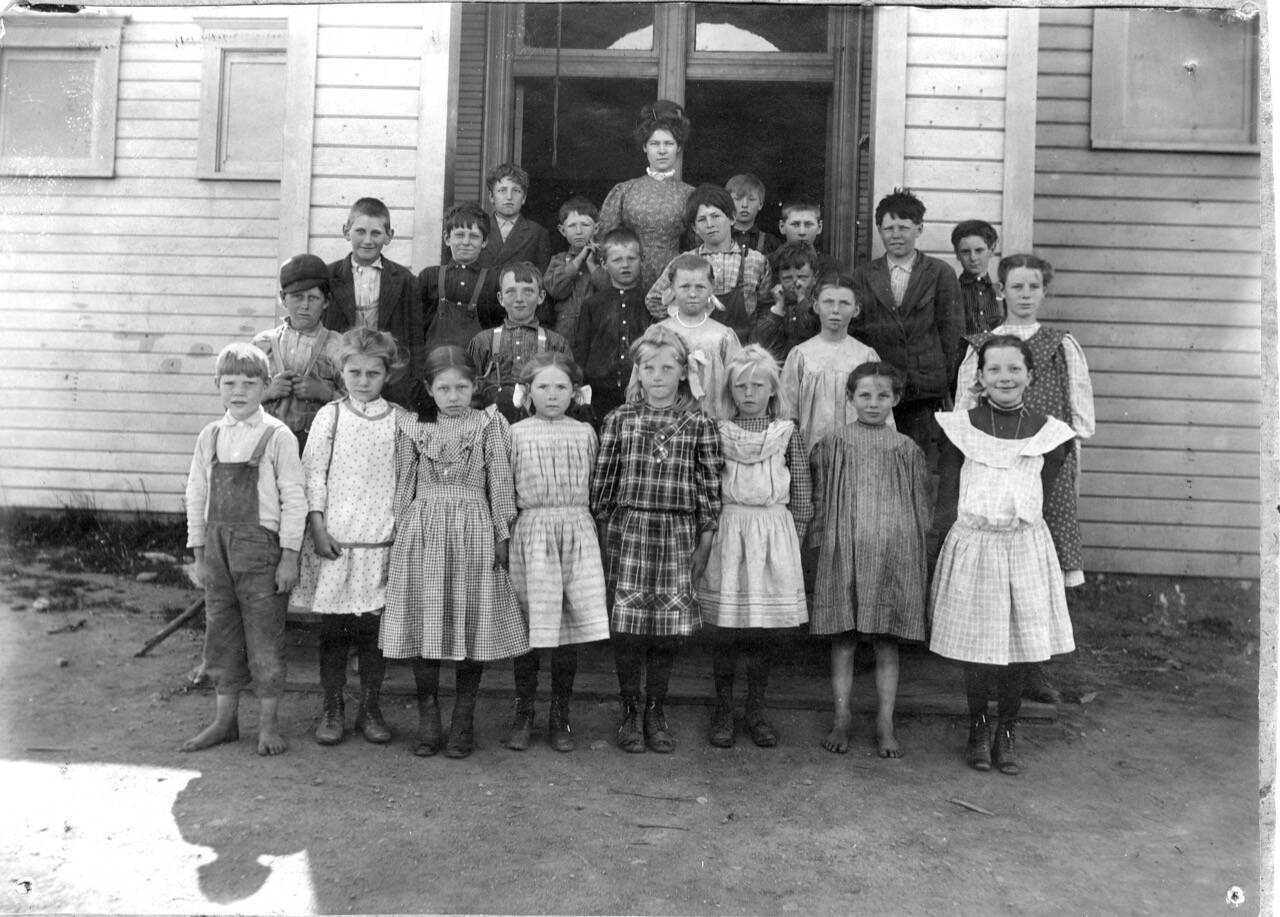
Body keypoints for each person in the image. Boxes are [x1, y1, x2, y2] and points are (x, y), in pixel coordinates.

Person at [952, 253, 1095, 705]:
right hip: (994, 464)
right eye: (1017, 287)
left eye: (1034, 287)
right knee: (995, 564)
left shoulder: (1060, 343)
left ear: (1044, 292)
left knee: (1041, 563)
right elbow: (962, 409)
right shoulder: (983, 345)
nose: (1026, 295)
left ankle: (1033, 667)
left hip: (1045, 464)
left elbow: (1079, 409)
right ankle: (987, 659)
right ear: (1001, 291)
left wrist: (1071, 458)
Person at [930, 336, 1076, 775]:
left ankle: (1006, 732)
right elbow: (949, 494)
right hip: (975, 545)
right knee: (979, 646)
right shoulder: (961, 428)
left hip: (1023, 547)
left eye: (1014, 369)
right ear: (980, 377)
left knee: (1015, 648)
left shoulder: (1051, 434)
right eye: (994, 369)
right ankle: (977, 727)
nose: (1005, 377)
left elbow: (1043, 493)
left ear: (1030, 375)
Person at [383, 346, 529, 759]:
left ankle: (463, 716)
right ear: (428, 389)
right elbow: (403, 483)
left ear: (474, 387)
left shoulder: (488, 423)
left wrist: (502, 534)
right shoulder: (412, 426)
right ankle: (429, 717)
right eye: (443, 388)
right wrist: (400, 532)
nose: (452, 396)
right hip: (423, 528)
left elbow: (500, 481)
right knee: (423, 619)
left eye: (461, 387)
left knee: (471, 621)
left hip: (475, 529)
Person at [591, 325, 723, 754]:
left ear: (684, 373)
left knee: (666, 630)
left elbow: (709, 487)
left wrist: (704, 540)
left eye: (668, 368)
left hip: (677, 532)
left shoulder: (699, 422)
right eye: (650, 368)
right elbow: (604, 487)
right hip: (631, 531)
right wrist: (605, 536)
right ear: (639, 372)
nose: (659, 376)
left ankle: (656, 709)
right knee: (628, 628)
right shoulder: (619, 419)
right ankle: (630, 711)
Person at [180, 342, 306, 756]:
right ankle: (225, 721)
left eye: (250, 382)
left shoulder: (277, 436)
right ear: (217, 385)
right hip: (216, 549)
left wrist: (290, 555)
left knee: (265, 638)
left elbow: (294, 497)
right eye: (230, 382)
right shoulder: (210, 436)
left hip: (260, 552)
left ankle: (268, 725)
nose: (239, 390)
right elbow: (196, 493)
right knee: (221, 635)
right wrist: (198, 551)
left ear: (266, 386)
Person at [807, 362, 930, 759]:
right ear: (850, 398)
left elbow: (919, 510)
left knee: (885, 640)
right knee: (843, 637)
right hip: (845, 548)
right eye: (864, 395)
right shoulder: (832, 445)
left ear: (896, 399)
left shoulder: (906, 449)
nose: (873, 403)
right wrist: (823, 539)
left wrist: (911, 553)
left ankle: (885, 721)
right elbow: (821, 500)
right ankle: (841, 716)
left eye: (882, 396)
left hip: (891, 552)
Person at [291, 328, 406, 747]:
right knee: (334, 632)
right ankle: (333, 706)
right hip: (337, 542)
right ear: (341, 372)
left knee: (373, 636)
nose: (362, 380)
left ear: (386, 375)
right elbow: (313, 475)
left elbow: (406, 481)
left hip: (381, 541)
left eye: (372, 373)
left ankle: (370, 707)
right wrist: (318, 526)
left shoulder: (401, 420)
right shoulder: (331, 416)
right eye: (354, 372)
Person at [697, 345, 810, 748]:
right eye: (740, 386)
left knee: (762, 630)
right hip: (731, 529)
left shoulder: (786, 432)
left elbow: (802, 494)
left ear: (772, 390)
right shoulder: (717, 431)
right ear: (729, 391)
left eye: (757, 385)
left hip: (773, 532)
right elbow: (707, 484)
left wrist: (789, 541)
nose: (749, 393)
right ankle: (724, 708)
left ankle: (756, 709)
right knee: (727, 629)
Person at [503, 353, 610, 752]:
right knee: (531, 628)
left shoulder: (584, 433)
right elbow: (505, 487)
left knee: (567, 631)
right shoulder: (515, 434)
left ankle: (560, 716)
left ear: (575, 393)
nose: (552, 395)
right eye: (543, 387)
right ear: (527, 392)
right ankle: (523, 712)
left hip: (576, 533)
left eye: (561, 387)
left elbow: (596, 487)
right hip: (532, 534)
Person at [851, 188, 962, 459]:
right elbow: (857, 332)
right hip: (879, 388)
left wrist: (939, 379)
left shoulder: (939, 273)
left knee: (919, 462)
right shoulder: (864, 275)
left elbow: (952, 334)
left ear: (919, 228)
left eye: (904, 227)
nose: (896, 234)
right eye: (889, 228)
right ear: (879, 230)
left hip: (923, 390)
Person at [323, 197, 421, 407]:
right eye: (360, 231)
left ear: (389, 236)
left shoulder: (404, 279)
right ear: (345, 231)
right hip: (340, 378)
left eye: (376, 233)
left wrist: (410, 385)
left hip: (388, 379)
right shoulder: (328, 277)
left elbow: (415, 339)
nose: (367, 240)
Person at [645, 184, 772, 344]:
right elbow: (653, 299)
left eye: (716, 216)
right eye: (702, 219)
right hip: (695, 347)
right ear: (694, 228)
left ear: (732, 218)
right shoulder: (683, 262)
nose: (710, 224)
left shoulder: (755, 261)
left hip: (742, 348)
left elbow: (766, 307)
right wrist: (683, 323)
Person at [597, 100, 695, 291]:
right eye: (654, 143)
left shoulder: (689, 194)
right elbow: (605, 241)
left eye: (668, 143)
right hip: (629, 277)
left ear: (678, 148)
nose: (661, 151)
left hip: (673, 279)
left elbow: (696, 247)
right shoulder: (625, 191)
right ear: (644, 147)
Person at [780, 273, 884, 452]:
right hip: (810, 454)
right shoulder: (801, 355)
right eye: (828, 302)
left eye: (844, 303)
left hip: (857, 455)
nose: (835, 310)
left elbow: (881, 413)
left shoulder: (866, 357)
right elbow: (786, 413)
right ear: (816, 306)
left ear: (856, 310)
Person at [253, 254, 345, 454]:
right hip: (267, 447)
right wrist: (267, 393)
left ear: (326, 301)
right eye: (297, 297)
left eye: (313, 298)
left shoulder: (337, 346)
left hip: (320, 449)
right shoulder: (263, 345)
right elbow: (234, 402)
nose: (305, 305)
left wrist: (325, 393)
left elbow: (359, 405)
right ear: (282, 298)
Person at [467, 262, 571, 424]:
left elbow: (567, 390)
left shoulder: (556, 343)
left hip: (540, 428)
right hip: (492, 428)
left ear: (541, 297)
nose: (519, 299)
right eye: (510, 292)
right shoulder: (483, 341)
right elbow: (469, 392)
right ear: (500, 299)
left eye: (528, 291)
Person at [573, 227, 652, 427]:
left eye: (631, 259)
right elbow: (581, 352)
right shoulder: (593, 304)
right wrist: (582, 397)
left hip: (641, 391)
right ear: (604, 264)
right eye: (617, 260)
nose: (625, 265)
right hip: (600, 391)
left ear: (642, 260)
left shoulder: (650, 303)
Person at [651, 253, 742, 418]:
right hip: (666, 424)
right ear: (672, 288)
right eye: (685, 286)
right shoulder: (659, 332)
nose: (692, 294)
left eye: (700, 287)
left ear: (711, 287)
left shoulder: (723, 336)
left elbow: (738, 381)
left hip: (714, 422)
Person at [420, 202, 501, 352]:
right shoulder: (429, 277)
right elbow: (415, 328)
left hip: (477, 368)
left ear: (484, 242)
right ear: (446, 238)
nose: (466, 242)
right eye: (459, 235)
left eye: (474, 236)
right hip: (434, 366)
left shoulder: (494, 279)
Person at [753, 240, 822, 365]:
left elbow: (810, 330)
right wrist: (778, 308)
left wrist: (802, 300)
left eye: (802, 277)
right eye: (787, 278)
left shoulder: (820, 307)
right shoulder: (771, 304)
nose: (796, 283)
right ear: (778, 279)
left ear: (814, 279)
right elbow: (761, 341)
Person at [543, 195, 601, 339]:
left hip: (597, 331)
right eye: (572, 226)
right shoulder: (558, 260)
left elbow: (609, 289)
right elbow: (557, 290)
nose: (579, 231)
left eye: (585, 225)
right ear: (562, 231)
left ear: (596, 228)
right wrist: (580, 258)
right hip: (565, 333)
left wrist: (592, 265)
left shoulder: (604, 260)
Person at [483, 163, 552, 273]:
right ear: (491, 197)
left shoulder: (537, 233)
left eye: (516, 191)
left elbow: (541, 278)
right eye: (502, 190)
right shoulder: (480, 229)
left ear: (524, 198)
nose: (509, 197)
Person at [950, 219, 1004, 337]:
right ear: (957, 254)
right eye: (965, 252)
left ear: (992, 250)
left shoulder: (1002, 292)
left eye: (979, 250)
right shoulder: (951, 292)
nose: (973, 258)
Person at [777, 199, 838, 275]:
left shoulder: (832, 267)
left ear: (819, 227)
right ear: (782, 226)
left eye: (808, 224)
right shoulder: (768, 264)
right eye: (795, 225)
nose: (802, 232)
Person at [726, 173, 780, 256]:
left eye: (751, 199)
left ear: (760, 204)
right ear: (728, 202)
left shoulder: (771, 243)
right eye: (738, 199)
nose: (745, 205)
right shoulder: (718, 238)